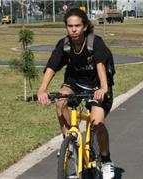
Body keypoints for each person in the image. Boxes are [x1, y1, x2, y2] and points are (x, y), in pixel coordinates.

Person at [37, 8, 115, 179]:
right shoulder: (64, 45)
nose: (73, 29)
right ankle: (69, 141)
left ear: (85, 26)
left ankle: (106, 159)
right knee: (60, 101)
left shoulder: (95, 42)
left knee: (97, 123)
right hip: (74, 84)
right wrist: (42, 89)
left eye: (77, 25)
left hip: (97, 86)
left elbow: (100, 65)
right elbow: (52, 67)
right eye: (70, 26)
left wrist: (103, 88)